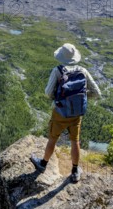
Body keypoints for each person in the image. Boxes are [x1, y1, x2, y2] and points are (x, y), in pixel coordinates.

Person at [30, 43, 101, 183]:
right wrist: (82, 98)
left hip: (60, 113)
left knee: (53, 139)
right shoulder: (83, 70)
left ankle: (42, 164)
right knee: (75, 141)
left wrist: (59, 100)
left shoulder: (57, 71)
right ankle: (75, 171)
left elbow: (48, 92)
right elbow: (97, 92)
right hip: (76, 113)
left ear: (61, 57)